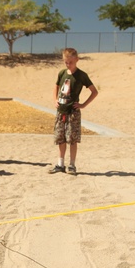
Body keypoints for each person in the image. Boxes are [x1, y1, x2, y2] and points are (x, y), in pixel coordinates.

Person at [49, 47, 98, 175]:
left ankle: (72, 165)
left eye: (70, 62)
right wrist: (55, 100)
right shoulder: (62, 73)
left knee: (72, 138)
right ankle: (60, 164)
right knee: (60, 138)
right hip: (61, 111)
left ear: (77, 60)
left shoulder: (82, 75)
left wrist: (83, 105)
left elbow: (94, 91)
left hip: (73, 112)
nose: (68, 64)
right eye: (66, 62)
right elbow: (56, 87)